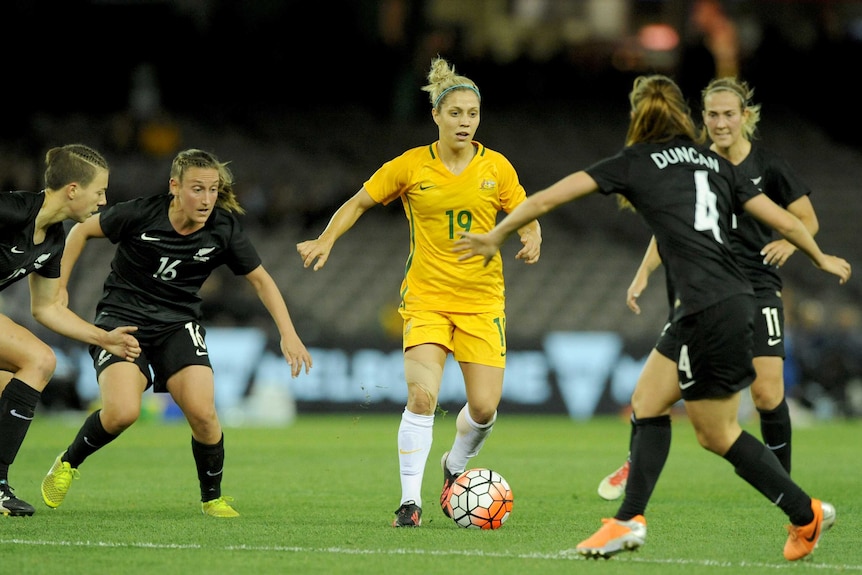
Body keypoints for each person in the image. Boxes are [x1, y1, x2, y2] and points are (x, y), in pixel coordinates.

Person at [453, 74, 850, 561]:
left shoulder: (636, 162)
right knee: (647, 400)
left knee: (717, 433)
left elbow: (546, 199)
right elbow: (788, 221)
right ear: (687, 115)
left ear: (638, 116)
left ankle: (803, 513)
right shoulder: (712, 161)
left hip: (708, 308)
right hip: (726, 301)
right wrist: (821, 258)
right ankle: (628, 519)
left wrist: (496, 235)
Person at [296, 56, 541, 527]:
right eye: (455, 113)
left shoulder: (498, 168)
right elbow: (359, 201)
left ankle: (454, 466)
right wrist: (326, 238)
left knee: (485, 408)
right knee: (422, 397)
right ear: (437, 116)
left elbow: (525, 211)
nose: (465, 122)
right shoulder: (411, 166)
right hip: (427, 299)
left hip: (482, 303)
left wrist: (532, 235)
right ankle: (410, 502)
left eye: (472, 114)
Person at [40, 148, 312, 518]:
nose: (206, 199)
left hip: (178, 324)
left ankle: (212, 497)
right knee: (121, 413)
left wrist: (288, 334)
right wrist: (59, 286)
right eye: (197, 189)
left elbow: (262, 281)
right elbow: (82, 230)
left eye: (213, 190)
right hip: (123, 319)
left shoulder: (223, 228)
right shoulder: (140, 213)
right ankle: (68, 463)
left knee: (203, 414)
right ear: (175, 187)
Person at [597, 76, 820, 501]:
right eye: (713, 115)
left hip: (757, 288)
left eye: (728, 114)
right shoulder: (695, 162)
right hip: (705, 288)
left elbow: (806, 219)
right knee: (651, 394)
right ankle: (636, 459)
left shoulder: (769, 167)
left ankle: (782, 482)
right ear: (702, 118)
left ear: (745, 117)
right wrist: (644, 273)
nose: (720, 123)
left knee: (767, 392)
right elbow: (669, 226)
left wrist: (789, 244)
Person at [0, 144, 141, 517]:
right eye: (99, 191)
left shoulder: (54, 239)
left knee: (6, 388)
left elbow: (46, 308)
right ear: (74, 189)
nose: (104, 200)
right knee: (40, 359)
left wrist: (103, 337)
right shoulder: (10, 210)